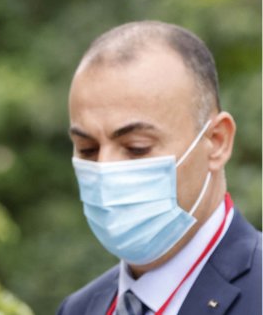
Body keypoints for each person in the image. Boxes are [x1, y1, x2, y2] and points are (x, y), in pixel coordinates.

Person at [58, 21, 261, 315]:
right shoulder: (78, 309)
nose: (105, 171)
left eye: (137, 147)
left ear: (216, 141)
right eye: (88, 149)